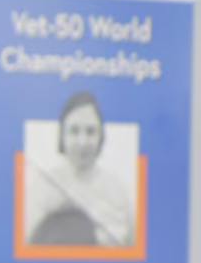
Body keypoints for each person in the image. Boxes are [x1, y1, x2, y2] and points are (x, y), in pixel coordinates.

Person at [25, 90, 134, 247]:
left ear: (101, 137)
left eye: (90, 132)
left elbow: (132, 248)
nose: (82, 142)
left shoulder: (117, 190)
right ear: (62, 136)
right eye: (74, 131)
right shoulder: (42, 187)